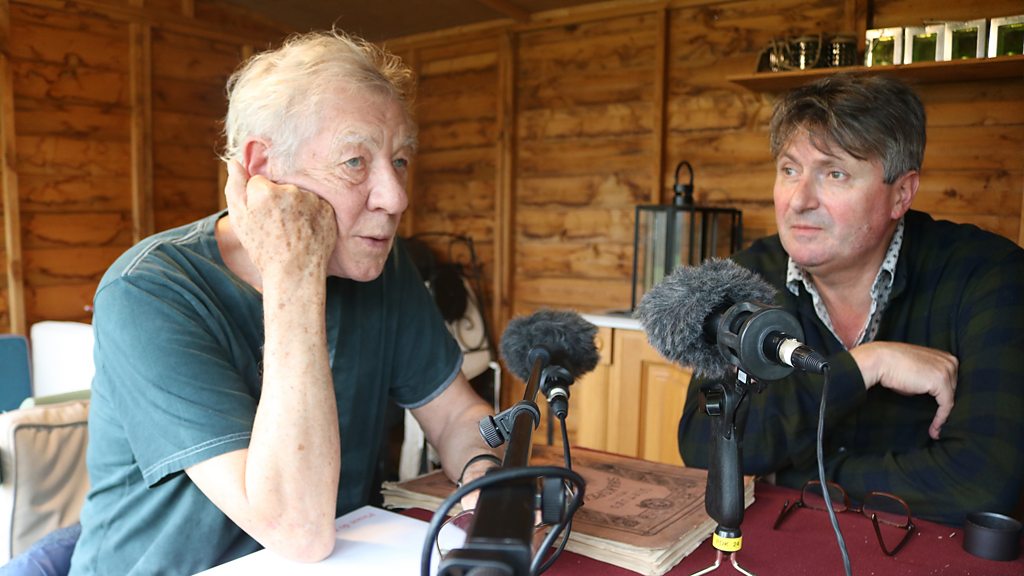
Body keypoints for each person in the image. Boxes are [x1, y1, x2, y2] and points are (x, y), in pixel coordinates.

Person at [69, 30, 501, 575]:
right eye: (354, 162)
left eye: (399, 160)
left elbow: (459, 414)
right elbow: (297, 530)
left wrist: (486, 481)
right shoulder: (148, 290)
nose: (396, 197)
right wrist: (295, 269)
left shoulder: (381, 266)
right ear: (262, 168)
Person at [678, 75, 1024, 526]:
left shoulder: (988, 274)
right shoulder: (746, 279)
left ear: (901, 194)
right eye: (789, 170)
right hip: (785, 543)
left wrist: (794, 476)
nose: (799, 200)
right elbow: (702, 446)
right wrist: (864, 366)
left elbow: (983, 485)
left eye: (834, 174)